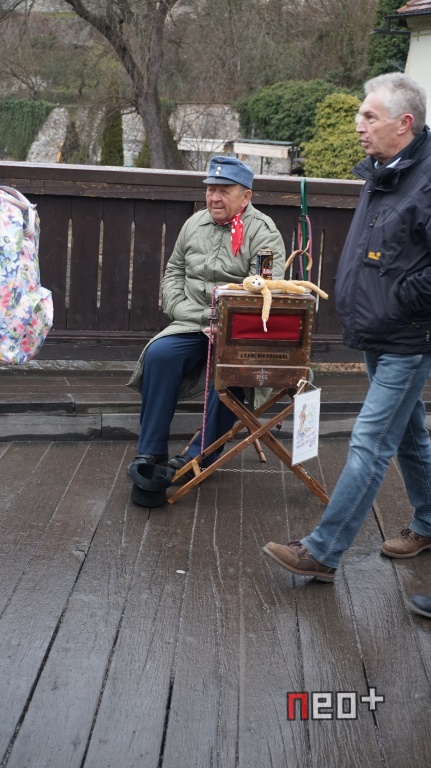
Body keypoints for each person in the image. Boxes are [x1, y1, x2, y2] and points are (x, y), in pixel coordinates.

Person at [263, 72, 431, 584]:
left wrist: (403, 299)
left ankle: (323, 550)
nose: (358, 125)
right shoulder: (387, 171)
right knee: (408, 433)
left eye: (369, 116)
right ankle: (429, 523)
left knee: (369, 440)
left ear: (403, 123)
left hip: (410, 333)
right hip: (382, 326)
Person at [127, 155, 286, 493]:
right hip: (191, 322)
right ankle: (151, 452)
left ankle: (201, 456)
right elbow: (173, 273)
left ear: (246, 196)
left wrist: (225, 324)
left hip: (238, 332)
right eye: (211, 189)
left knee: (230, 369)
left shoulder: (264, 233)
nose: (214, 197)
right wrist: (185, 310)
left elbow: (265, 290)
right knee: (160, 355)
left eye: (224, 191)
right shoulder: (194, 224)